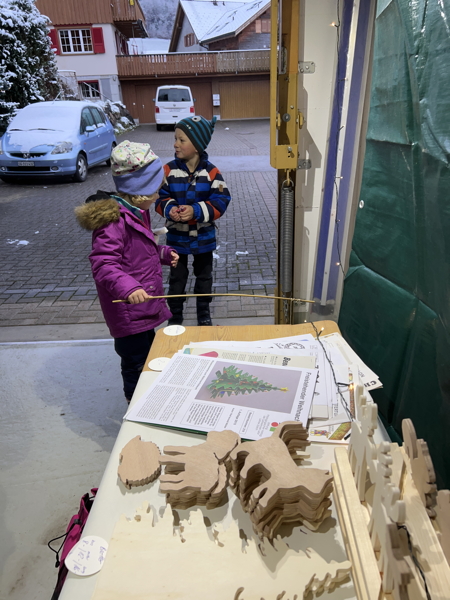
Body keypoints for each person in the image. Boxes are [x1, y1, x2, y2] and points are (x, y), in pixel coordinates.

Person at [75, 141, 179, 403]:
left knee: (148, 359)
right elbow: (104, 264)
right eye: (155, 190)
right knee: (135, 365)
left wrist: (164, 254)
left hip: (143, 308)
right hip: (127, 311)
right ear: (139, 190)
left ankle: (149, 402)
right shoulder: (113, 222)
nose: (158, 195)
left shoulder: (136, 212)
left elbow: (141, 250)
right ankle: (136, 409)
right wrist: (129, 287)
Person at [155, 115, 231, 326]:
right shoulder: (168, 171)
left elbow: (222, 200)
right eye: (176, 139)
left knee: (204, 277)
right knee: (177, 279)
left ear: (197, 145)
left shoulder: (212, 173)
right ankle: (175, 316)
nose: (175, 144)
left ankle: (203, 313)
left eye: (182, 140)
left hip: (204, 239)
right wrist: (169, 209)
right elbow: (159, 197)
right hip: (177, 240)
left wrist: (197, 210)